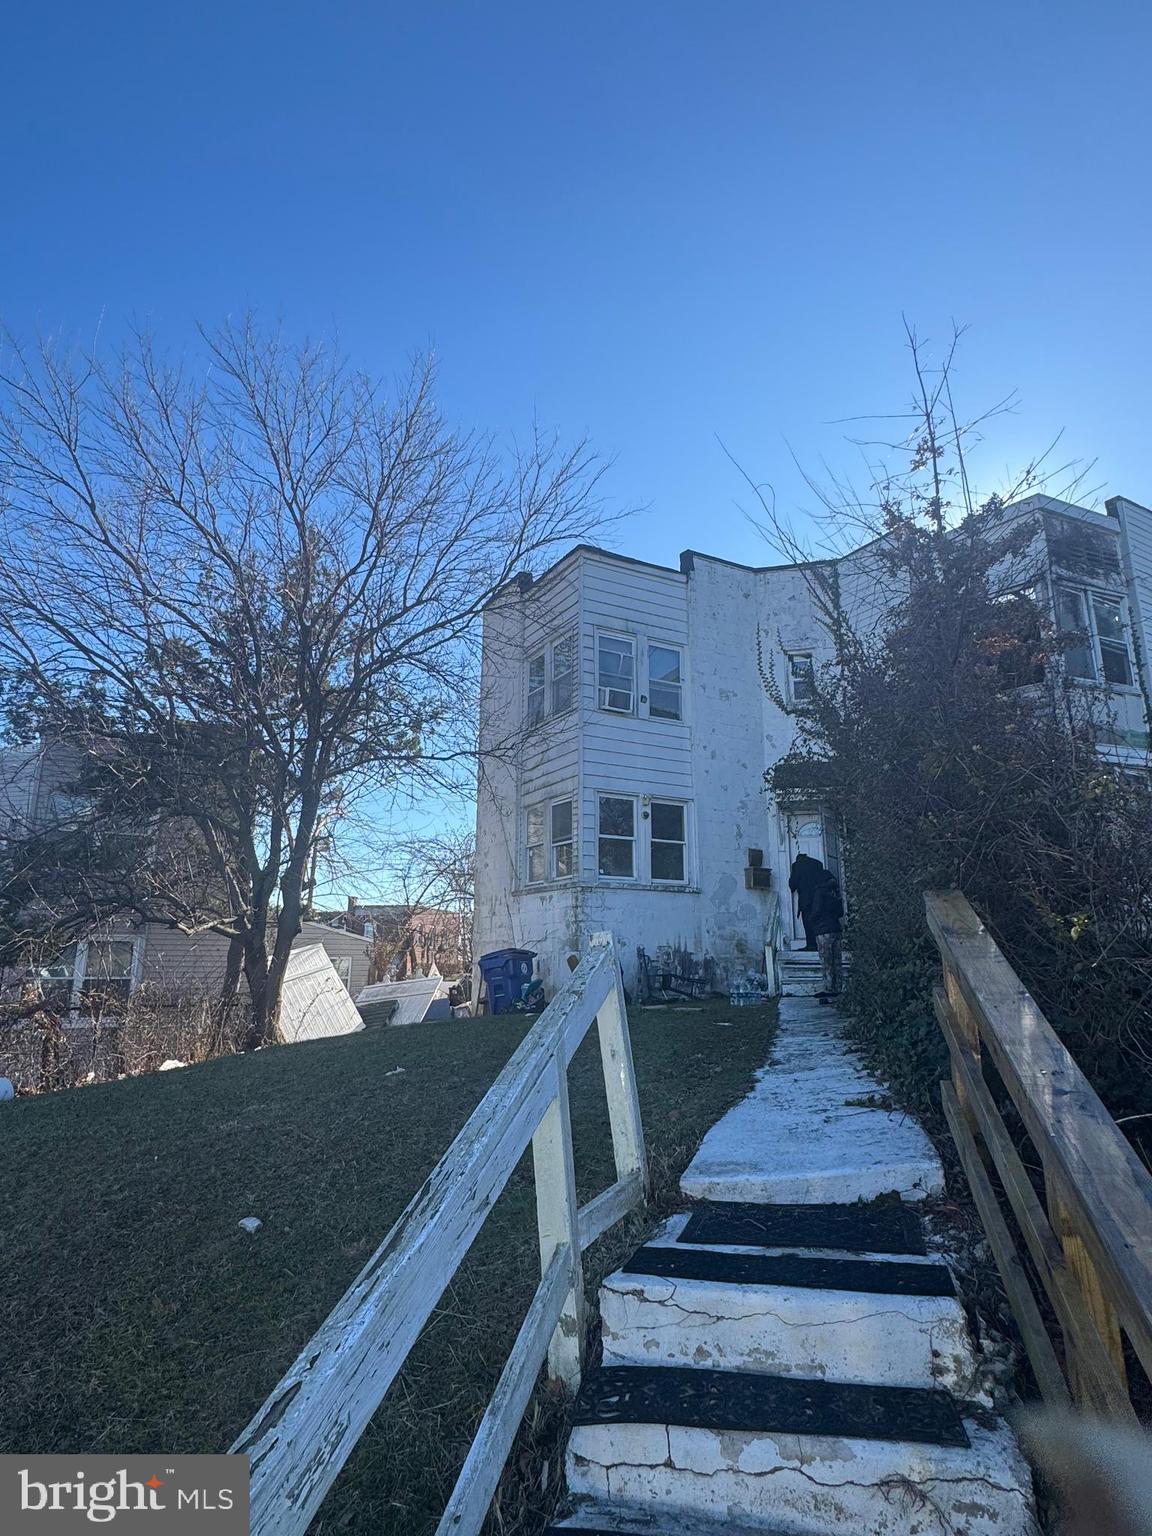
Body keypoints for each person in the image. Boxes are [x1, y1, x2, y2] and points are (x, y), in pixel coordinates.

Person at [808, 869, 844, 1001]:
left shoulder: (819, 891)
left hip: (823, 930)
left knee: (826, 961)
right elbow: (840, 913)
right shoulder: (835, 892)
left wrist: (811, 921)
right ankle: (838, 987)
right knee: (837, 960)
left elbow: (817, 910)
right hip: (836, 929)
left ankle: (828, 987)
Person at [788, 852, 825, 951]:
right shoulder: (818, 864)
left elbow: (793, 884)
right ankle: (820, 944)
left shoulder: (796, 866)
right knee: (819, 922)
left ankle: (811, 944)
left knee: (808, 922)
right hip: (819, 897)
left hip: (805, 899)